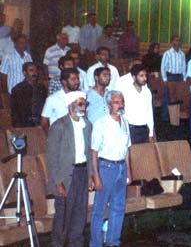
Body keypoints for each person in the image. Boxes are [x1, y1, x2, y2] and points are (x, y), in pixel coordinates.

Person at [47, 91, 92, 247]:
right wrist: (58, 182)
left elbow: (89, 153)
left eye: (84, 104)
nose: (83, 107)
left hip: (82, 173)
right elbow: (52, 158)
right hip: (66, 176)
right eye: (80, 103)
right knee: (63, 218)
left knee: (80, 215)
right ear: (70, 105)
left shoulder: (87, 124)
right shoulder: (59, 126)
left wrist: (91, 175)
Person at [90, 90, 132, 247]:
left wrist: (129, 170)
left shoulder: (125, 122)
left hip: (121, 167)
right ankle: (96, 243)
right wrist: (96, 176)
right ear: (108, 105)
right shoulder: (100, 123)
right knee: (99, 210)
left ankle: (113, 242)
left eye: (121, 102)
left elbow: (127, 149)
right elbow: (93, 151)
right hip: (106, 167)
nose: (120, 105)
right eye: (116, 102)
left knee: (118, 207)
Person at [120, 64, 154, 144]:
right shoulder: (126, 92)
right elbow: (122, 112)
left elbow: (149, 112)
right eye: (141, 76)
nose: (145, 78)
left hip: (144, 128)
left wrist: (151, 133)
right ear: (134, 77)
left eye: (145, 75)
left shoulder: (147, 91)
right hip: (131, 129)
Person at [40, 68, 80, 134]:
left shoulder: (80, 96)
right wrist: (51, 137)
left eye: (78, 79)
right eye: (73, 79)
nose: (77, 82)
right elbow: (44, 122)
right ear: (64, 82)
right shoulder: (52, 99)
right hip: (60, 136)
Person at [10, 62, 47, 127]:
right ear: (24, 73)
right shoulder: (18, 89)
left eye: (36, 70)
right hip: (25, 124)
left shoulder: (41, 88)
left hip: (40, 122)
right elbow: (16, 113)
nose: (34, 73)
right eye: (31, 70)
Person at [160, 35, 186, 122]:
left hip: (179, 77)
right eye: (176, 40)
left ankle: (175, 118)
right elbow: (163, 67)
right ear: (172, 42)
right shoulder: (167, 53)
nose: (177, 42)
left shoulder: (182, 54)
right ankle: (165, 117)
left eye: (179, 40)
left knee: (178, 98)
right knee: (167, 97)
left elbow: (183, 67)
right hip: (170, 76)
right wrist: (164, 79)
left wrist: (184, 79)